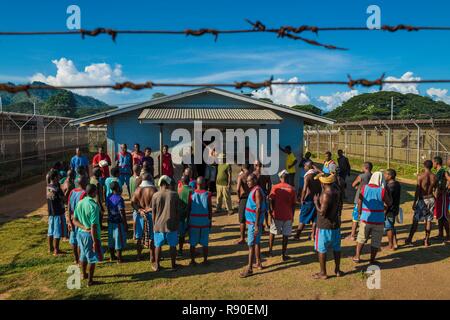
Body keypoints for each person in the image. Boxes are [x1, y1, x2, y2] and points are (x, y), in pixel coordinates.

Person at [352, 172, 392, 264]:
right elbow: (389, 203)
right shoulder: (382, 191)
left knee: (361, 237)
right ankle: (372, 260)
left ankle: (357, 256)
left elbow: (359, 201)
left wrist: (359, 212)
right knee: (376, 240)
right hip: (378, 219)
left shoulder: (364, 188)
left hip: (365, 217)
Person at [313, 173, 343, 279]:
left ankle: (323, 273)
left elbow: (322, 212)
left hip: (324, 226)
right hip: (335, 224)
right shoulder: (337, 191)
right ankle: (337, 270)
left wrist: (316, 202)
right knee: (336, 248)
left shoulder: (326, 194)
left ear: (323, 183)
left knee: (322, 249)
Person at [73, 184, 103, 287]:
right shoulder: (93, 206)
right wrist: (95, 241)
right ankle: (90, 281)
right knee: (92, 259)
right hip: (90, 236)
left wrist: (82, 227)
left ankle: (84, 274)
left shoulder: (80, 203)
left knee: (83, 256)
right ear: (94, 192)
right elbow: (93, 226)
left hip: (80, 234)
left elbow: (74, 220)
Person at [240, 174, 267, 278]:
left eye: (249, 180)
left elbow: (259, 208)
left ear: (255, 180)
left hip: (253, 224)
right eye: (247, 181)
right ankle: (259, 263)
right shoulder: (256, 189)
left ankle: (250, 268)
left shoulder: (257, 191)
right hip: (254, 223)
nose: (247, 182)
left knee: (250, 245)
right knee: (256, 243)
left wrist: (256, 225)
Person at [151, 175, 180, 271]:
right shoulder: (174, 195)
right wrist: (177, 223)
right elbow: (177, 211)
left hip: (158, 225)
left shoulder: (155, 195)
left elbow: (153, 212)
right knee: (172, 245)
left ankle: (157, 265)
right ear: (168, 184)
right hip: (171, 224)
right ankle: (173, 265)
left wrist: (154, 224)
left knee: (158, 245)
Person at [406, 160, 438, 246]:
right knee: (428, 220)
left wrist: (414, 202)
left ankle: (409, 239)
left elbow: (418, 190)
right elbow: (436, 190)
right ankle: (426, 240)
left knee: (416, 220)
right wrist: (435, 199)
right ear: (431, 166)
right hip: (431, 199)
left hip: (422, 200)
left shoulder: (420, 176)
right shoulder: (434, 177)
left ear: (424, 166)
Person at [267, 170, 297, 261]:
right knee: (285, 235)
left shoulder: (275, 187)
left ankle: (270, 251)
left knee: (272, 232)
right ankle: (283, 255)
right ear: (287, 178)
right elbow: (293, 204)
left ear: (280, 178)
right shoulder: (292, 189)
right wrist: (292, 215)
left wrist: (271, 211)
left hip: (277, 214)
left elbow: (270, 200)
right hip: (288, 215)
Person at [131, 173, 157, 261]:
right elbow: (158, 204)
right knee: (152, 237)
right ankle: (152, 256)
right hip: (151, 215)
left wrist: (139, 210)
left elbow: (133, 203)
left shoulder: (138, 190)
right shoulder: (154, 190)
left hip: (140, 215)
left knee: (138, 236)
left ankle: (139, 255)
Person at [188, 176, 213, 265]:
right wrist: (210, 220)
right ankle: (205, 260)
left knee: (192, 243)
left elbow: (189, 208)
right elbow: (210, 209)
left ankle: (192, 260)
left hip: (194, 222)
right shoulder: (208, 194)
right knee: (205, 243)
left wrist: (188, 221)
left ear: (197, 184)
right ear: (203, 184)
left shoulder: (191, 194)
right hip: (205, 222)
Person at [295, 161, 321, 241]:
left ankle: (297, 235)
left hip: (309, 199)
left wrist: (302, 199)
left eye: (305, 166)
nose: (304, 167)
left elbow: (304, 189)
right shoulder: (317, 176)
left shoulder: (307, 176)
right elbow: (322, 173)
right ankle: (313, 235)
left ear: (308, 167)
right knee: (314, 219)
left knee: (303, 218)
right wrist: (315, 167)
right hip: (317, 199)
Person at [346, 162, 373, 241]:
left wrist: (358, 186)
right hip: (369, 199)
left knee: (355, 218)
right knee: (366, 218)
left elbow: (353, 184)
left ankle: (352, 235)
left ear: (366, 168)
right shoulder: (372, 176)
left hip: (359, 199)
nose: (362, 168)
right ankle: (366, 234)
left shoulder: (361, 176)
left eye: (363, 167)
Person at [67, 176, 88, 264]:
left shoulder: (72, 192)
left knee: (73, 239)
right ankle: (80, 259)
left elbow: (68, 206)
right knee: (79, 241)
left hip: (72, 219)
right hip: (80, 220)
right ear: (83, 183)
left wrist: (69, 219)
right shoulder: (84, 193)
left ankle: (76, 259)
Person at [46, 169, 68, 256]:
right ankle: (56, 250)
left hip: (51, 212)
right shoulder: (57, 189)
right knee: (57, 232)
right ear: (55, 178)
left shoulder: (48, 186)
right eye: (58, 176)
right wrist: (66, 191)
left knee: (50, 231)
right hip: (58, 212)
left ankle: (50, 248)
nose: (59, 177)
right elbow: (64, 199)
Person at [106, 181, 128, 263]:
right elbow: (122, 212)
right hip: (118, 222)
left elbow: (108, 209)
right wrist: (125, 223)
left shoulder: (108, 197)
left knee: (111, 239)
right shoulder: (119, 199)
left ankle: (112, 257)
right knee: (118, 240)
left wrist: (108, 218)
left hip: (111, 221)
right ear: (118, 188)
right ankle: (119, 258)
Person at [384, 169, 401, 250]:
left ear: (390, 176)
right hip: (395, 208)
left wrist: (384, 211)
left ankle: (390, 245)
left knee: (389, 227)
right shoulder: (397, 184)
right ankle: (395, 243)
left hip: (390, 210)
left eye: (385, 174)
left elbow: (388, 201)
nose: (384, 176)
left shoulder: (390, 187)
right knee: (391, 226)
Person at [433, 156, 449, 241]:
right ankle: (440, 234)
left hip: (443, 197)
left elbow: (449, 179)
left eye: (433, 162)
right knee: (439, 216)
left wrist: (446, 189)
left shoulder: (443, 171)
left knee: (444, 217)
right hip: (438, 197)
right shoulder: (438, 171)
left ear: (437, 163)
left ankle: (448, 235)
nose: (433, 164)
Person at [253, 160, 272, 229]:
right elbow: (269, 185)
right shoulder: (266, 173)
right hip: (264, 192)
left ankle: (258, 224)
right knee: (265, 210)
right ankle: (266, 224)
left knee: (256, 209)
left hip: (256, 194)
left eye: (255, 165)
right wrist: (268, 193)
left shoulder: (254, 174)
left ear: (256, 165)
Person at [235, 164, 251, 244]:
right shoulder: (252, 175)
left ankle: (242, 238)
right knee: (252, 218)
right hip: (252, 197)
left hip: (244, 198)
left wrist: (238, 198)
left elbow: (237, 189)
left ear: (242, 167)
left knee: (242, 219)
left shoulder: (241, 176)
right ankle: (252, 236)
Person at [177, 175, 192, 256]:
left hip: (180, 215)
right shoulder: (191, 190)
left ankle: (180, 250)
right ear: (189, 181)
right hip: (188, 215)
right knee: (190, 234)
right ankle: (192, 251)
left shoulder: (179, 189)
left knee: (181, 235)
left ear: (182, 182)